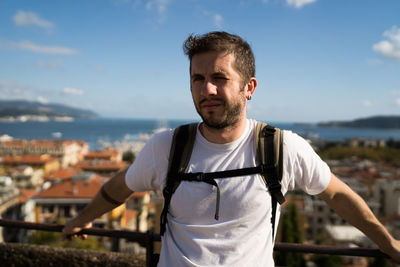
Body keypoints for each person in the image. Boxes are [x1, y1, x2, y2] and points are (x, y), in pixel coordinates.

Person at [63, 31, 400, 266]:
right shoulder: (166, 146)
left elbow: (338, 196)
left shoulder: (282, 148)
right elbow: (117, 189)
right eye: (197, 78)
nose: (206, 89)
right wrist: (80, 219)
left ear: (249, 87)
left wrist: (387, 243)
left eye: (219, 78)